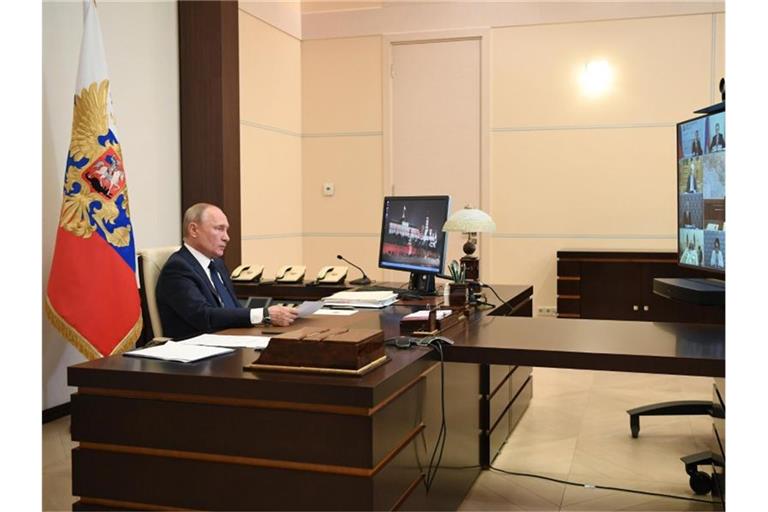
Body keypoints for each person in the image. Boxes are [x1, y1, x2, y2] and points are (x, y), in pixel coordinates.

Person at [156, 203, 298, 339]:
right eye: (219, 229)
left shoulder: (217, 264)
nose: (226, 237)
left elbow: (233, 308)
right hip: (198, 348)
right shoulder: (177, 268)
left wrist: (268, 318)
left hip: (231, 339)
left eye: (226, 230)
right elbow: (203, 316)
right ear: (194, 230)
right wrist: (263, 314)